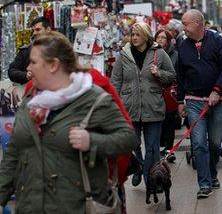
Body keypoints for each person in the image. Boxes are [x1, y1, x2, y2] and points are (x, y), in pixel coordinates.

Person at [0, 31, 136, 213]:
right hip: (31, 206)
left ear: (53, 65)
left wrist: (92, 142)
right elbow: (13, 155)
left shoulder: (93, 98)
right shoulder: (30, 101)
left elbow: (128, 139)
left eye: (33, 62)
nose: (28, 69)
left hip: (76, 205)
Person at [111, 22, 176, 192]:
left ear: (146, 36)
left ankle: (151, 181)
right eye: (132, 35)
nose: (134, 38)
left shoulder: (159, 53)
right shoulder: (124, 55)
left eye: (137, 35)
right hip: (129, 107)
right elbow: (116, 80)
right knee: (133, 144)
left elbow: (171, 75)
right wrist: (115, 104)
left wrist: (159, 73)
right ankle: (140, 168)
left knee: (153, 147)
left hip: (152, 106)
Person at [177, 9, 222, 198]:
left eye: (185, 24)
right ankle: (205, 183)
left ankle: (212, 173)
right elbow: (180, 74)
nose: (183, 27)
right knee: (199, 143)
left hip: (217, 100)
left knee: (216, 143)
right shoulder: (183, 46)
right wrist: (180, 100)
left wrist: (217, 90)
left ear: (198, 23)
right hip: (193, 101)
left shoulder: (218, 42)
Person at [155, 29, 180, 162]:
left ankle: (169, 150)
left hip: (170, 91)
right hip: (156, 92)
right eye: (158, 37)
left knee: (169, 122)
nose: (160, 40)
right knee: (158, 122)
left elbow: (176, 74)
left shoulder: (175, 55)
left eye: (163, 38)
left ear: (168, 40)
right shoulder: (152, 53)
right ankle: (160, 148)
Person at [8, 17, 52, 84]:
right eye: (33, 31)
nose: (34, 33)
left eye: (38, 30)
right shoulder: (26, 51)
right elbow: (11, 71)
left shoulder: (59, 49)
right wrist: (26, 75)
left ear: (48, 30)